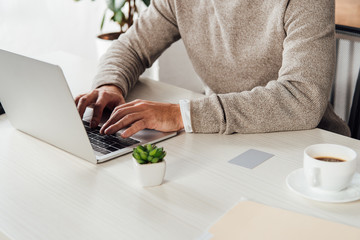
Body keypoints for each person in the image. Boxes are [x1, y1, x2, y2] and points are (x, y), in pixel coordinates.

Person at [75, 0, 350, 138]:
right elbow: (133, 46)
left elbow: (303, 98)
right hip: (227, 138)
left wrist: (183, 114)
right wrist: (109, 84)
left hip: (307, 145)